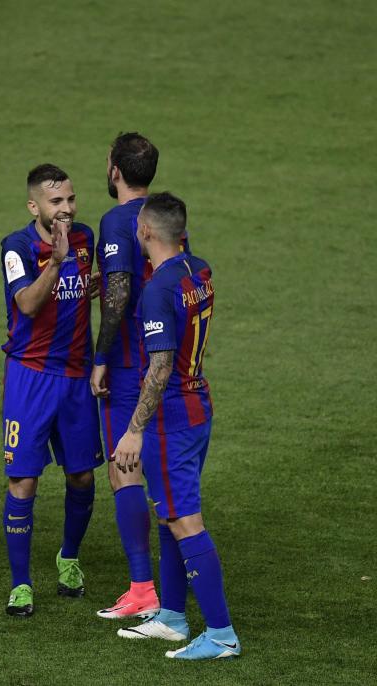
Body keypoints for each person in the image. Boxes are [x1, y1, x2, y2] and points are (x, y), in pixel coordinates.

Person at [112, 192, 240, 660]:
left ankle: (222, 633)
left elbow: (160, 366)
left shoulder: (158, 290)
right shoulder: (198, 270)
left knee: (185, 521)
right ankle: (171, 616)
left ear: (145, 232)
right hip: (199, 404)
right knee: (169, 510)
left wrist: (134, 429)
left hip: (172, 418)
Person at [0, 165, 102, 617]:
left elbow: (79, 292)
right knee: (24, 480)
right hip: (30, 379)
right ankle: (21, 584)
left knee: (82, 475)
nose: (66, 209)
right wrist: (57, 262)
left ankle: (69, 557)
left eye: (70, 200)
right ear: (34, 206)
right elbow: (27, 303)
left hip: (77, 377)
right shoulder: (16, 247)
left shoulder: (86, 238)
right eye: (56, 202)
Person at [90, 132, 162, 620]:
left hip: (130, 360)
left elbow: (117, 296)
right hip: (165, 354)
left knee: (125, 471)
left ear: (114, 169)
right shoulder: (167, 214)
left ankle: (143, 587)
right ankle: (166, 585)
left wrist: (101, 356)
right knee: (159, 471)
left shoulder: (117, 220)